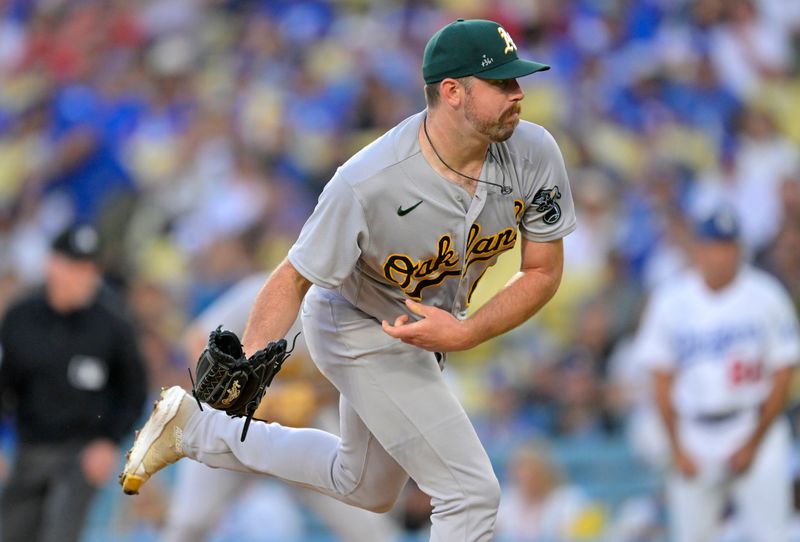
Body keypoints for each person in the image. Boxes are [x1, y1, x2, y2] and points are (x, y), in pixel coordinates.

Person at [120, 18, 576, 541]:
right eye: (502, 83)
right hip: (356, 321)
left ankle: (194, 429)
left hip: (421, 329)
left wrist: (468, 332)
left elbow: (542, 270)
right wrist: (248, 357)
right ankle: (198, 424)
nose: (519, 93)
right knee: (470, 494)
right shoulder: (369, 180)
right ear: (452, 92)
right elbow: (292, 276)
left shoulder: (534, 152)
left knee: (365, 486)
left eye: (518, 81)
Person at [163, 272, 398, 541]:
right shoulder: (266, 289)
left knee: (369, 528)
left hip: (304, 426)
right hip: (232, 420)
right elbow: (197, 339)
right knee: (188, 525)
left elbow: (358, 385)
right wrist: (242, 395)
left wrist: (313, 397)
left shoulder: (361, 315)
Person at [635, 206, 800, 542]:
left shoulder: (766, 295)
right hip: (694, 431)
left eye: (728, 246)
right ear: (698, 248)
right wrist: (677, 446)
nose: (721, 255)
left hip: (755, 424)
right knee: (692, 536)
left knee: (773, 535)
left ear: (739, 249)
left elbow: (784, 373)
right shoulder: (671, 299)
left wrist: (754, 442)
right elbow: (660, 378)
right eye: (713, 245)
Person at [0, 224, 148, 542]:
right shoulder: (21, 318)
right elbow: (4, 384)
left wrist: (109, 441)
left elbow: (133, 390)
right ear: (52, 266)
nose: (85, 278)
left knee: (59, 534)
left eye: (90, 268)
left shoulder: (113, 325)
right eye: (76, 267)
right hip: (30, 449)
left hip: (81, 454)